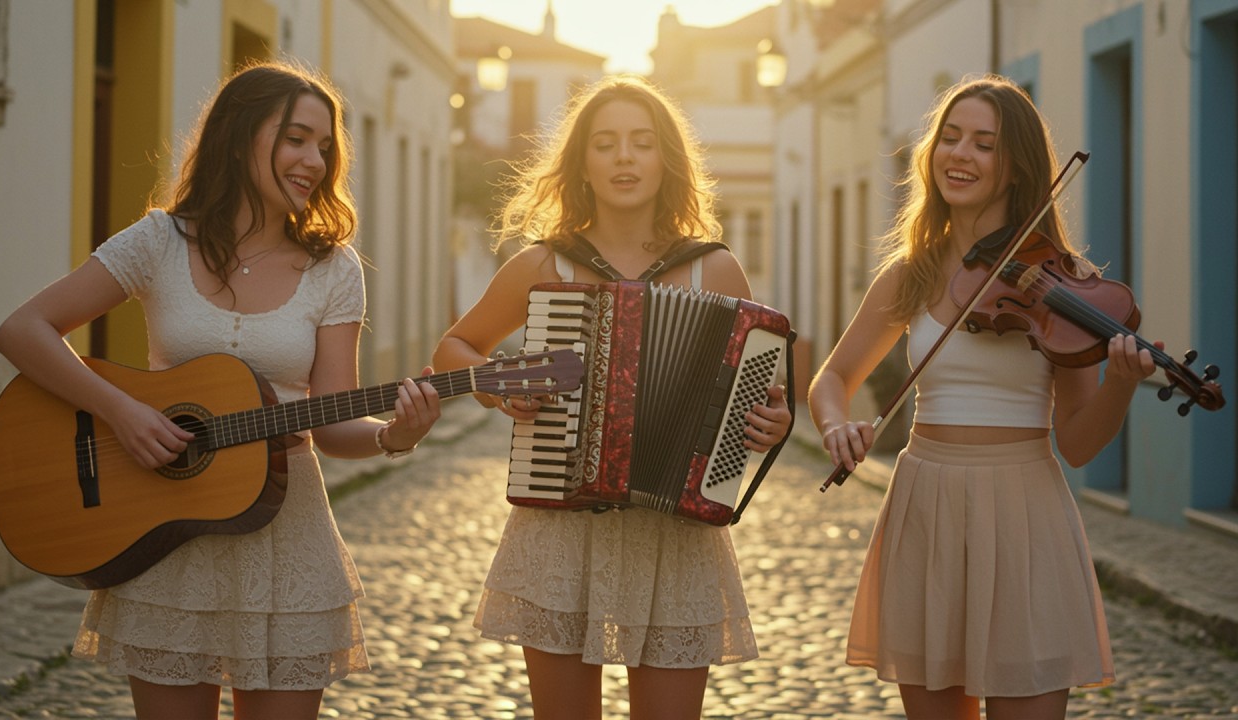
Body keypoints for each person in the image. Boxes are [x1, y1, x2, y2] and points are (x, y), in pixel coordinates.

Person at [0, 61, 441, 720]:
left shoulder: (333, 268)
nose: (314, 160)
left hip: (287, 539)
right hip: (167, 539)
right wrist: (119, 412)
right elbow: (21, 330)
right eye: (296, 138)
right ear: (238, 136)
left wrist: (394, 437)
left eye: (325, 146)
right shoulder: (158, 242)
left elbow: (334, 424)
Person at [432, 74, 792, 720]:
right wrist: (502, 384)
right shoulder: (546, 265)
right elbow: (455, 350)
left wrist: (771, 420)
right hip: (561, 532)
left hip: (675, 539)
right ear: (582, 164)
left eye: (641, 142)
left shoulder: (715, 268)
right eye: (605, 143)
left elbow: (767, 395)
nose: (624, 157)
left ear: (666, 160)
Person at [808, 73, 1160, 720]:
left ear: (1018, 166)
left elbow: (1078, 444)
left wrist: (1121, 386)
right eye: (951, 137)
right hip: (925, 505)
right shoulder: (911, 272)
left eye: (985, 144)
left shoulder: (1069, 286)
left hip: (1023, 510)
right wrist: (836, 427)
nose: (960, 155)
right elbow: (832, 379)